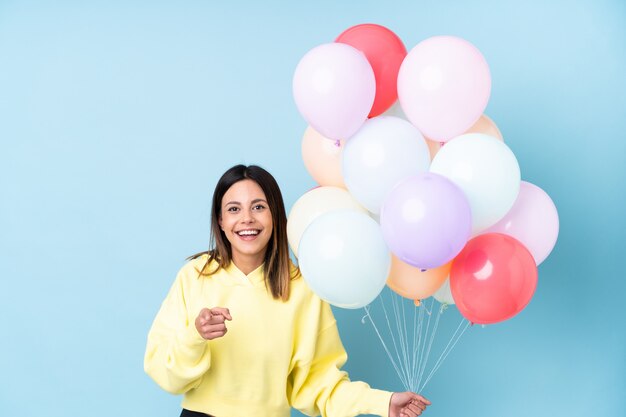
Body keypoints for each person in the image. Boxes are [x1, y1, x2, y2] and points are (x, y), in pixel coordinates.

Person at [144, 164, 431, 417]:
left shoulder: (302, 288)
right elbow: (164, 373)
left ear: (275, 216)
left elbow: (321, 384)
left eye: (258, 207)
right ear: (220, 220)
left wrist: (383, 403)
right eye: (234, 209)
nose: (247, 219)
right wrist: (196, 336)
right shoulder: (194, 276)